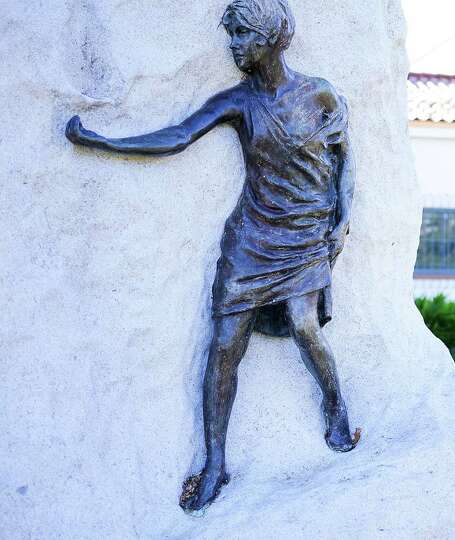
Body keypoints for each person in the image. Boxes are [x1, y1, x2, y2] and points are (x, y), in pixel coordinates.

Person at [65, 0, 357, 513]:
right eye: (232, 36)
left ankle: (336, 406)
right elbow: (178, 136)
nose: (234, 46)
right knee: (224, 346)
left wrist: (343, 220)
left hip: (307, 236)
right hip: (252, 240)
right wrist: (103, 141)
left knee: (305, 326)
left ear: (269, 39)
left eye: (242, 36)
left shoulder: (320, 93)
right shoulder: (238, 103)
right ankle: (216, 461)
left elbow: (344, 159)